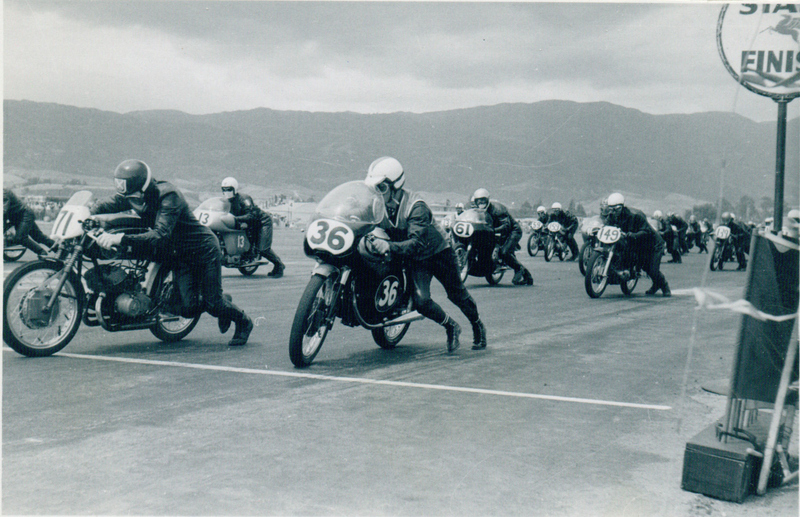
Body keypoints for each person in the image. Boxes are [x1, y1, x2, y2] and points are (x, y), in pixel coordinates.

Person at [91, 159, 253, 346]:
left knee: (213, 303)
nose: (131, 200)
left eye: (134, 196)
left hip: (203, 250)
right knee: (187, 309)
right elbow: (108, 204)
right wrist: (87, 212)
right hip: (179, 254)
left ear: (143, 187)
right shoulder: (131, 194)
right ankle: (222, 302)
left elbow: (161, 234)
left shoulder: (168, 196)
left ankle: (243, 321)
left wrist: (121, 238)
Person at [365, 157, 487, 351]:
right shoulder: (377, 204)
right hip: (413, 256)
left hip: (437, 252)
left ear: (395, 186)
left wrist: (387, 246)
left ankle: (477, 324)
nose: (377, 193)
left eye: (381, 188)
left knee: (456, 294)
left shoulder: (416, 206)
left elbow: (415, 244)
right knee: (421, 302)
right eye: (374, 188)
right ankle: (451, 326)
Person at [605, 193, 670, 296]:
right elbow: (607, 227)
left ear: (622, 206)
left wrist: (633, 234)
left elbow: (646, 231)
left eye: (616, 209)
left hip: (653, 244)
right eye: (611, 209)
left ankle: (664, 286)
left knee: (651, 270)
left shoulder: (635, 215)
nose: (613, 212)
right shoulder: (611, 216)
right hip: (637, 243)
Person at [221, 177, 285, 278]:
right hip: (248, 224)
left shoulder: (244, 198)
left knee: (263, 248)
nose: (226, 192)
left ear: (235, 189)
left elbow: (251, 215)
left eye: (229, 189)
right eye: (224, 190)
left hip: (261, 222)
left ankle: (279, 265)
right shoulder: (225, 202)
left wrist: (235, 219)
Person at [471, 188, 533, 285]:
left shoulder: (498, 209)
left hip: (512, 230)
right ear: (475, 201)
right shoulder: (475, 211)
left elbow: (506, 226)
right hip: (493, 231)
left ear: (487, 199)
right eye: (478, 200)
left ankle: (519, 269)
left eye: (483, 199)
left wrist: (491, 231)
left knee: (504, 252)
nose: (481, 202)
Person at [3, 188, 54, 255]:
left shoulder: (3, 192)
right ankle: (59, 249)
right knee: (38, 236)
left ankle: (42, 252)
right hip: (14, 217)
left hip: (24, 214)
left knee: (21, 238)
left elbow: (3, 210)